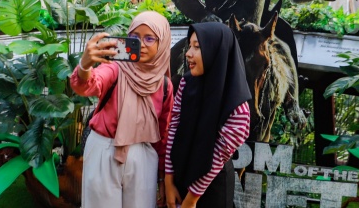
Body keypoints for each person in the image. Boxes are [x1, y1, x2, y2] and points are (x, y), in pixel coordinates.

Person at [71, 11, 174, 208]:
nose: (141, 44)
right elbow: (89, 85)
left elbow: (164, 134)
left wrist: (162, 176)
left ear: (162, 44)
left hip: (143, 154)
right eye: (135, 37)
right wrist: (85, 65)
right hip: (104, 149)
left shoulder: (165, 85)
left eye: (149, 38)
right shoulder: (116, 68)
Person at [165, 22, 251, 208]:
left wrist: (191, 200)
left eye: (197, 47)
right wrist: (169, 180)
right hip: (180, 173)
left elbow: (218, 157)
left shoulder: (237, 106)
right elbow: (174, 127)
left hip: (211, 187)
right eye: (190, 46)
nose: (188, 53)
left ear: (216, 51)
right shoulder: (186, 83)